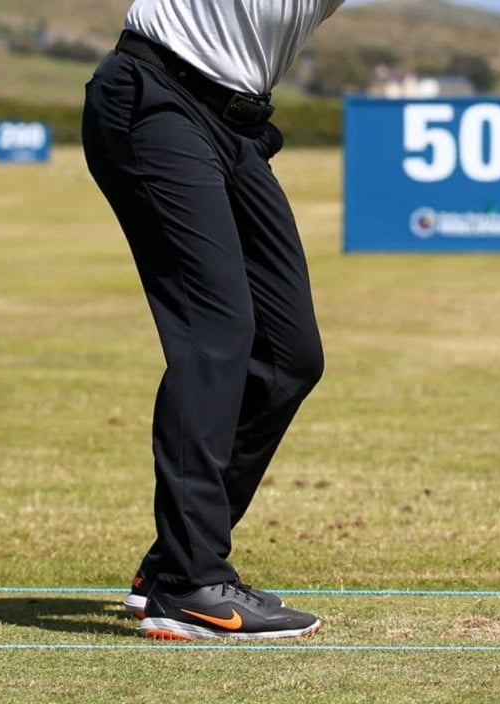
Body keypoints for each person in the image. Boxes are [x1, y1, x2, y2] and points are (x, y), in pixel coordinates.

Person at [81, 0, 345, 641]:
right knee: (216, 335)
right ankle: (192, 582)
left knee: (290, 357)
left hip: (235, 126)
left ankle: (172, 564)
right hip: (156, 99)